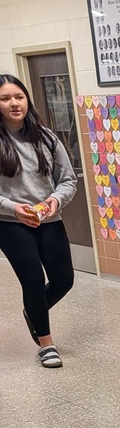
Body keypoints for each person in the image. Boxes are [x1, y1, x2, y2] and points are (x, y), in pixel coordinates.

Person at [0, 75, 77, 368]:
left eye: (18, 96)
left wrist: (53, 202)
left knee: (63, 280)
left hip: (48, 218)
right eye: (5, 98)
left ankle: (33, 312)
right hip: (9, 223)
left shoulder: (46, 138)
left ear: (27, 99)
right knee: (32, 279)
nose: (14, 103)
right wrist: (13, 208)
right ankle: (46, 343)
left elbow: (68, 181)